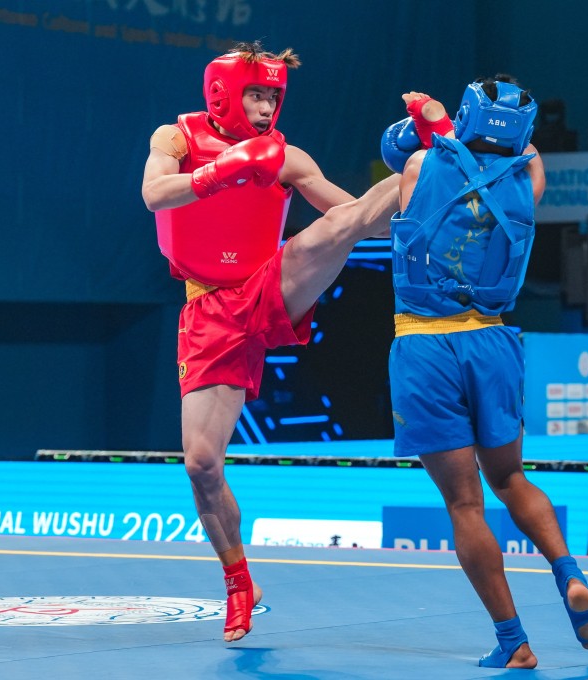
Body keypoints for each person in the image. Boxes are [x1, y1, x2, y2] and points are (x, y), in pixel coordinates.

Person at [141, 41, 399, 643]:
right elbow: (154, 194)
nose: (265, 109)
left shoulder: (285, 156)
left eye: (273, 97)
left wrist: (409, 187)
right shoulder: (174, 139)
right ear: (224, 94)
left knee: (336, 227)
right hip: (209, 307)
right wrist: (223, 170)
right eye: (256, 95)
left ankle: (426, 164)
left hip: (270, 286)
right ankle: (238, 581)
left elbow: (357, 213)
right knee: (202, 464)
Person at [377, 77, 588, 669]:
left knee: (465, 504)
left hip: (428, 347)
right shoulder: (529, 182)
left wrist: (428, 119)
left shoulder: (421, 165)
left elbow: (397, 150)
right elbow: (526, 152)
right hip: (494, 341)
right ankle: (570, 576)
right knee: (510, 478)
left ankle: (515, 642)